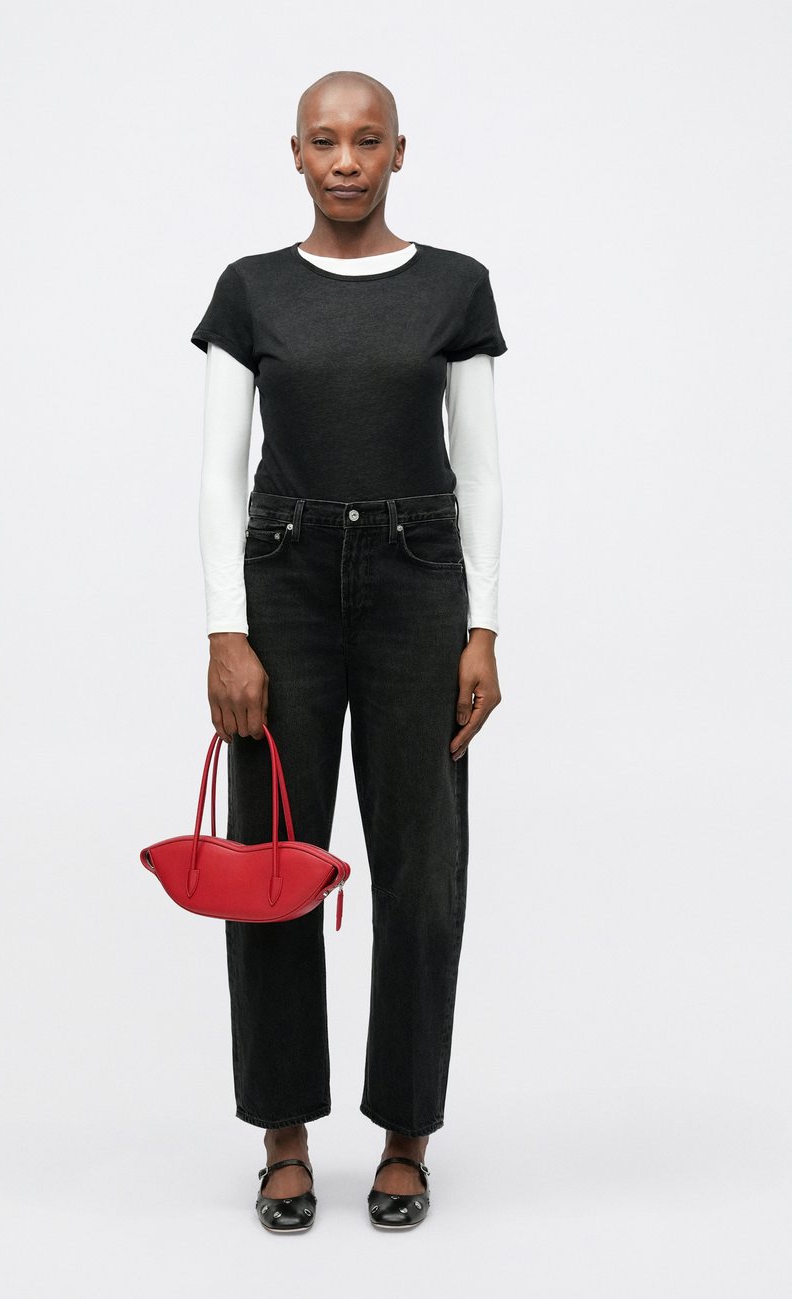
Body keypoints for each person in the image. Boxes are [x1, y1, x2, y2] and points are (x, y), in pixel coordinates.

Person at [190, 69, 506, 1232]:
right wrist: (227, 631)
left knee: (422, 866)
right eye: (324, 141)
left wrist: (483, 626)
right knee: (272, 857)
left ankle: (406, 1136)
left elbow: (480, 470)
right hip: (284, 581)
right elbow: (220, 471)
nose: (345, 160)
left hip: (420, 583)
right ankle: (283, 1137)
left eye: (367, 140)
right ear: (296, 153)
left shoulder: (454, 287)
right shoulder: (252, 291)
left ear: (398, 152)